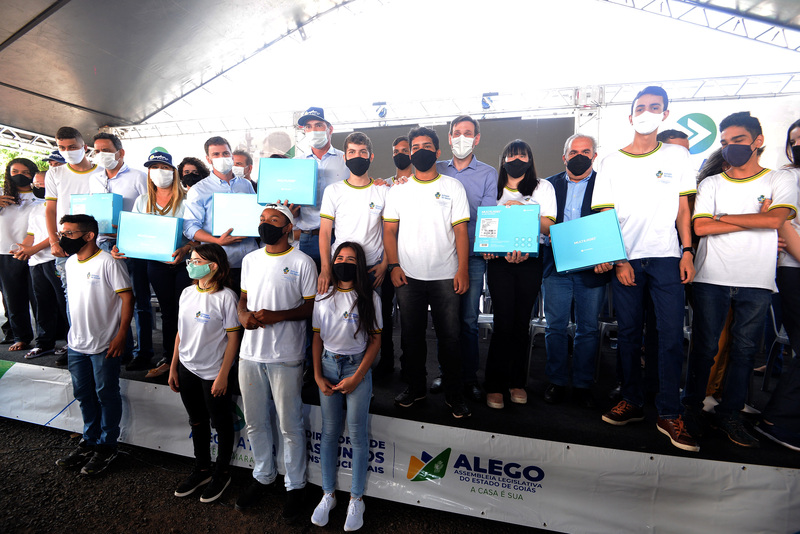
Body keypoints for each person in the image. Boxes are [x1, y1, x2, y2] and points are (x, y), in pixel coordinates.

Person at [591, 86, 699, 452]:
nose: (647, 113)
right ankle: (633, 401)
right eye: (641, 107)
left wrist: (687, 251)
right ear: (631, 115)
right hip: (627, 260)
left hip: (668, 257)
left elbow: (684, 209)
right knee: (628, 334)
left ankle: (669, 412)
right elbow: (605, 214)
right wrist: (619, 259)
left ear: (665, 114)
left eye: (655, 107)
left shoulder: (678, 156)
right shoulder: (611, 161)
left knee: (669, 336)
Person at [683, 112, 797, 448]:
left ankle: (729, 413)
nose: (730, 147)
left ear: (758, 141)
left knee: (745, 352)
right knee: (705, 349)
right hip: (711, 277)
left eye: (738, 140)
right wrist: (757, 218)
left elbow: (777, 220)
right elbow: (701, 226)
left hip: (757, 280)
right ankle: (691, 408)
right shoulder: (711, 183)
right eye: (725, 142)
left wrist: (724, 218)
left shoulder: (779, 179)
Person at [383, 126, 472, 419]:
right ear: (410, 153)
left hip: (446, 274)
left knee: (451, 338)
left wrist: (462, 269)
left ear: (437, 151)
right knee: (411, 337)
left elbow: (461, 231)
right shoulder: (398, 190)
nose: (420, 151)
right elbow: (389, 231)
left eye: (426, 146)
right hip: (408, 276)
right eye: (415, 147)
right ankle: (415, 388)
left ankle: (454, 394)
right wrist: (394, 265)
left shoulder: (452, 187)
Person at [235, 203, 315, 519]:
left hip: (286, 356)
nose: (265, 223)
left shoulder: (302, 262)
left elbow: (311, 307)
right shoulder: (251, 259)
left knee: (289, 425)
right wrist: (242, 314)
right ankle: (263, 475)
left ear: (288, 227)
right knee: (254, 421)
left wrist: (278, 316)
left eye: (273, 219)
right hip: (250, 354)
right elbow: (243, 298)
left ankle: (295, 486)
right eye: (262, 219)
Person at [54, 214, 133, 476]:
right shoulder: (70, 263)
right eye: (62, 233)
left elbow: (127, 298)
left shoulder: (109, 262)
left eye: (69, 233)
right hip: (76, 343)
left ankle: (107, 446)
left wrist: (121, 335)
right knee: (83, 394)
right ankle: (89, 441)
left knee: (106, 394)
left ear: (89, 236)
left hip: (104, 344)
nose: (63, 238)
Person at [310, 242, 381, 531]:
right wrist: (317, 375)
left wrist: (358, 376)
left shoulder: (369, 297)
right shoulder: (322, 295)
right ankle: (328, 494)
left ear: (359, 265)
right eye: (339, 257)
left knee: (357, 434)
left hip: (356, 368)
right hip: (328, 366)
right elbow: (316, 337)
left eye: (350, 259)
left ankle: (356, 498)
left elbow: (375, 340)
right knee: (329, 432)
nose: (343, 262)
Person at [482, 140, 556, 409]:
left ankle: (517, 382)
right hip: (499, 264)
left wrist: (522, 212)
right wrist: (487, 249)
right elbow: (486, 225)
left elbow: (548, 226)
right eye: (511, 156)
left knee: (521, 323)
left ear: (530, 159)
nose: (516, 160)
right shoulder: (493, 187)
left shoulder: (542, 187)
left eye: (522, 156)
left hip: (531, 261)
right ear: (503, 160)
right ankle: (494, 385)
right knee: (503, 322)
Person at [541, 134, 610, 408]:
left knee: (588, 329)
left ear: (594, 155)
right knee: (555, 326)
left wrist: (607, 256)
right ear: (564, 156)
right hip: (556, 266)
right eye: (573, 152)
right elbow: (542, 222)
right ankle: (556, 381)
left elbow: (612, 222)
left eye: (585, 151)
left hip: (593, 268)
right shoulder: (548, 185)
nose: (579, 156)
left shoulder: (606, 184)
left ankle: (582, 384)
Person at [168, 243, 241, 502]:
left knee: (220, 423)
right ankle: (201, 468)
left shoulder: (227, 297)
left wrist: (223, 375)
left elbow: (233, 339)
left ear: (214, 266)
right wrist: (174, 365)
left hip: (213, 372)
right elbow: (180, 332)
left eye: (196, 261)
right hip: (187, 368)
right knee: (196, 420)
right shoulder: (187, 293)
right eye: (190, 260)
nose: (190, 265)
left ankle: (222, 472)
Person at [432, 116, 497, 402]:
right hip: (439, 256)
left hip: (471, 257)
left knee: (469, 320)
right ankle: (446, 374)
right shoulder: (435, 168)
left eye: (467, 133)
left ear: (477, 138)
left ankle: (469, 378)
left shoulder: (488, 173)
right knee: (444, 322)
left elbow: (488, 216)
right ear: (449, 138)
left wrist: (487, 245)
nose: (461, 138)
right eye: (456, 133)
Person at [113, 151, 195, 379]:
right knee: (167, 313)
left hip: (184, 263)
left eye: (164, 167)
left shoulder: (188, 200)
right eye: (154, 167)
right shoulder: (142, 201)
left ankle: (190, 359)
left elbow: (197, 236)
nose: (159, 172)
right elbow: (134, 232)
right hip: (156, 266)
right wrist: (121, 246)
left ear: (173, 172)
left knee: (186, 312)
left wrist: (185, 249)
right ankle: (170, 358)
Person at [90, 132, 152, 371]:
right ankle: (123, 348)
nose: (101, 155)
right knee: (114, 300)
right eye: (97, 151)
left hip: (132, 247)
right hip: (104, 245)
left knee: (139, 301)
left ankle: (143, 352)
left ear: (120, 152)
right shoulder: (95, 179)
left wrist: (129, 230)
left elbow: (148, 212)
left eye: (106, 150)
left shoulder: (138, 177)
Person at [757, 118, 800, 450]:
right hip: (793, 270)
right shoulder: (788, 177)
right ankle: (778, 421)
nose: (797, 146)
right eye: (794, 141)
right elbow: (779, 221)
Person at [182, 136, 258, 293]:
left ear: (231, 155)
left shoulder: (246, 185)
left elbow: (254, 215)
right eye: (216, 154)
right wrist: (217, 241)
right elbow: (190, 227)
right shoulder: (198, 190)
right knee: (223, 304)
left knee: (251, 304)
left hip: (250, 259)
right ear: (208, 159)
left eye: (225, 153)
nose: (222, 157)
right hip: (219, 263)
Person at [318, 132, 387, 294]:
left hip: (372, 266)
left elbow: (389, 232)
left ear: (371, 157)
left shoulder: (383, 190)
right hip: (340, 265)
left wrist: (385, 264)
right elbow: (325, 233)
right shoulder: (333, 191)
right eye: (352, 152)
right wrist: (325, 269)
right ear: (345, 158)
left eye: (363, 152)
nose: (357, 156)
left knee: (373, 309)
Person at [44, 127, 97, 329]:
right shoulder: (54, 173)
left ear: (84, 147)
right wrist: (53, 241)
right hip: (66, 242)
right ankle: (76, 340)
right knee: (71, 294)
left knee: (101, 293)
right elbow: (50, 209)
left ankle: (105, 341)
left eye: (72, 147)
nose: (67, 151)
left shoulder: (101, 172)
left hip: (97, 241)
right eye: (62, 147)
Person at [13, 170, 68, 359]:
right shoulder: (36, 208)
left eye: (42, 183)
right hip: (35, 263)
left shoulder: (61, 206)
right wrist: (23, 248)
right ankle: (44, 343)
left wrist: (33, 249)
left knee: (64, 303)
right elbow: (31, 234)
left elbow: (59, 234)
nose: (39, 187)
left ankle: (72, 342)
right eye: (35, 184)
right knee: (42, 304)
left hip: (55, 260)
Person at [374, 136, 414, 376]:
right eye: (396, 150)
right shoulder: (384, 186)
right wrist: (385, 261)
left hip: (412, 258)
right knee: (384, 313)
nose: (400, 154)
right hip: (387, 259)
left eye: (405, 150)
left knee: (410, 317)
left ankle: (410, 365)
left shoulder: (420, 184)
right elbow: (379, 226)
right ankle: (386, 361)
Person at [295, 107, 349, 271]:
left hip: (340, 235)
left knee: (341, 282)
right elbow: (293, 205)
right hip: (309, 237)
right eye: (308, 126)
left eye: (318, 125)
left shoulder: (346, 160)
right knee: (310, 284)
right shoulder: (296, 163)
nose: (313, 130)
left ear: (329, 129)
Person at [0, 158, 39, 352]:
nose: (19, 176)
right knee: (13, 298)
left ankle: (47, 337)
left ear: (33, 174)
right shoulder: (2, 193)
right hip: (6, 252)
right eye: (15, 171)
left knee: (39, 296)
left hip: (36, 251)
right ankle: (21, 337)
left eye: (25, 172)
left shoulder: (41, 193)